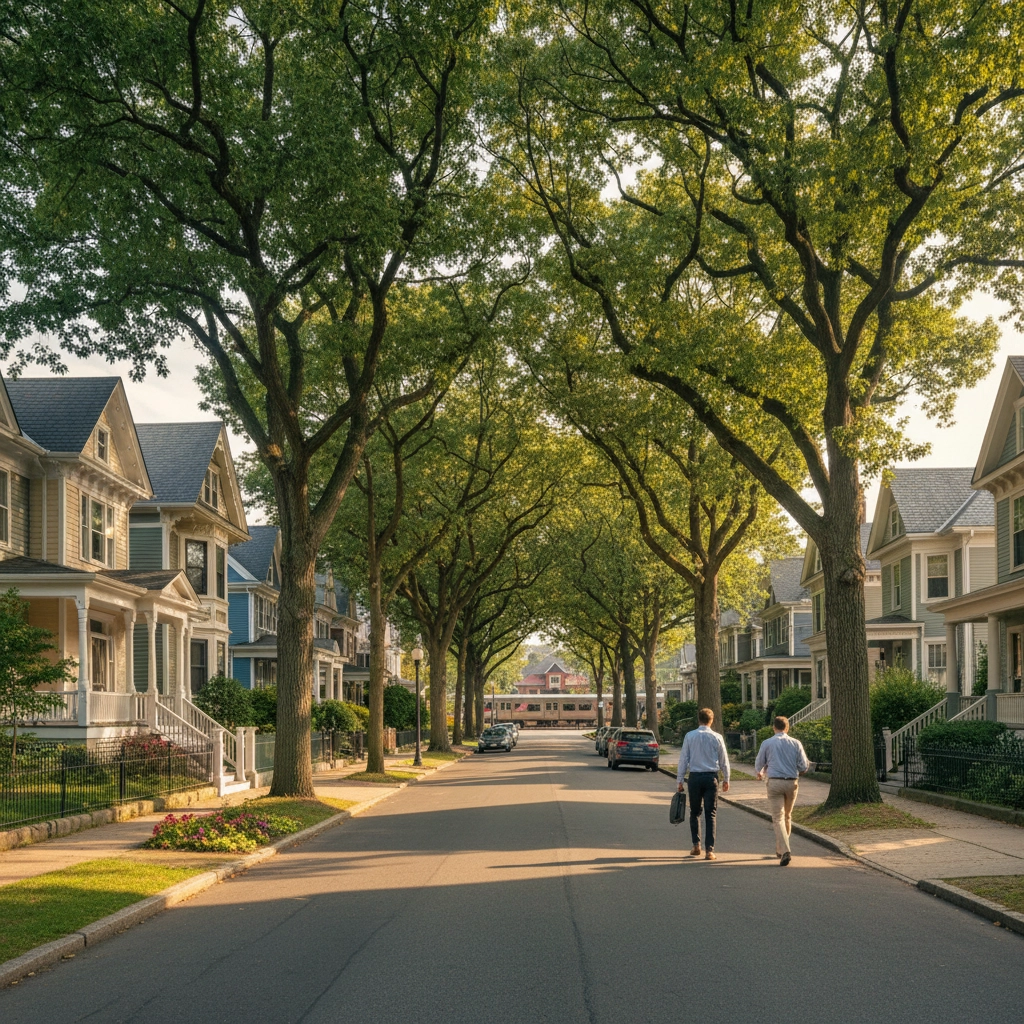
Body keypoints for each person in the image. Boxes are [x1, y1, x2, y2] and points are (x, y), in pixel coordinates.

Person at [754, 715, 810, 867]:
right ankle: (781, 849)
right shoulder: (796, 743)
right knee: (787, 816)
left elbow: (759, 763)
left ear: (774, 727)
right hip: (791, 782)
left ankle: (784, 850)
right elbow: (804, 765)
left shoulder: (767, 743)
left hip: (774, 782)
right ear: (787, 727)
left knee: (777, 817)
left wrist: (759, 772)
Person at [676, 707, 731, 861]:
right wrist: (726, 778)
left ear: (698, 719)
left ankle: (696, 845)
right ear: (711, 720)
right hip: (711, 778)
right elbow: (724, 759)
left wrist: (680, 780)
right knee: (710, 813)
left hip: (694, 777)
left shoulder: (689, 736)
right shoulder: (717, 737)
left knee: (694, 812)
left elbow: (684, 759)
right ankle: (709, 850)